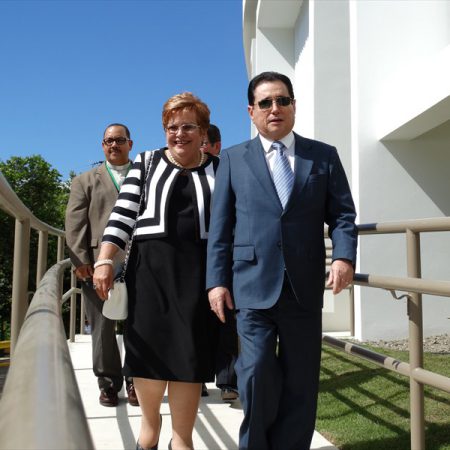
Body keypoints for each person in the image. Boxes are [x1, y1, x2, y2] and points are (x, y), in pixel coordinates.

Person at [206, 71, 358, 450]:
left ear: (293, 105)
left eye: (282, 100)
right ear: (251, 111)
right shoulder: (232, 159)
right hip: (251, 285)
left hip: (304, 287)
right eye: (265, 103)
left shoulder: (322, 155)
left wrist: (343, 256)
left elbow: (342, 215)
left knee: (301, 382)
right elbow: (221, 228)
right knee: (256, 373)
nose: (275, 108)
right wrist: (216, 282)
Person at [93, 92, 220, 450]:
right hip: (149, 273)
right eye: (172, 127)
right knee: (148, 355)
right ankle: (149, 431)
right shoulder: (146, 162)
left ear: (203, 131)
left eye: (188, 127)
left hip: (198, 276)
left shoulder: (220, 168)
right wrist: (105, 259)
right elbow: (122, 214)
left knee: (188, 357)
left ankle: (182, 439)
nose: (179, 134)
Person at [65, 123, 138, 407]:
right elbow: (74, 224)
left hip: (140, 261)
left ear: (130, 144)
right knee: (102, 327)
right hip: (98, 263)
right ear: (103, 145)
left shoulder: (144, 175)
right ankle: (108, 383)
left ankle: (135, 380)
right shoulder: (84, 181)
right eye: (108, 141)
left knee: (139, 324)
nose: (113, 145)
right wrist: (81, 260)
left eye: (119, 140)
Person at [200, 124, 239, 402]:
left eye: (205, 143)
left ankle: (227, 381)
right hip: (195, 255)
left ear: (217, 145)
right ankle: (197, 377)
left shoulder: (229, 169)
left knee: (227, 318)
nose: (200, 147)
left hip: (227, 254)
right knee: (197, 320)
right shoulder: (182, 170)